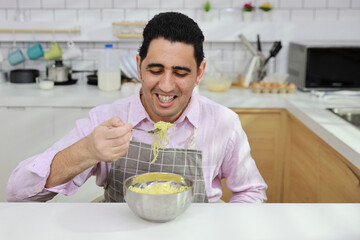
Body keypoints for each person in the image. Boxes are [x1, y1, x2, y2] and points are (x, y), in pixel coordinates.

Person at [7, 12, 267, 203]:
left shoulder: (224, 123)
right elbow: (17, 193)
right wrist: (87, 150)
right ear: (139, 65)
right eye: (155, 70)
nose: (166, 86)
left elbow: (250, 190)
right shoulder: (106, 119)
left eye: (180, 73)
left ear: (199, 73)